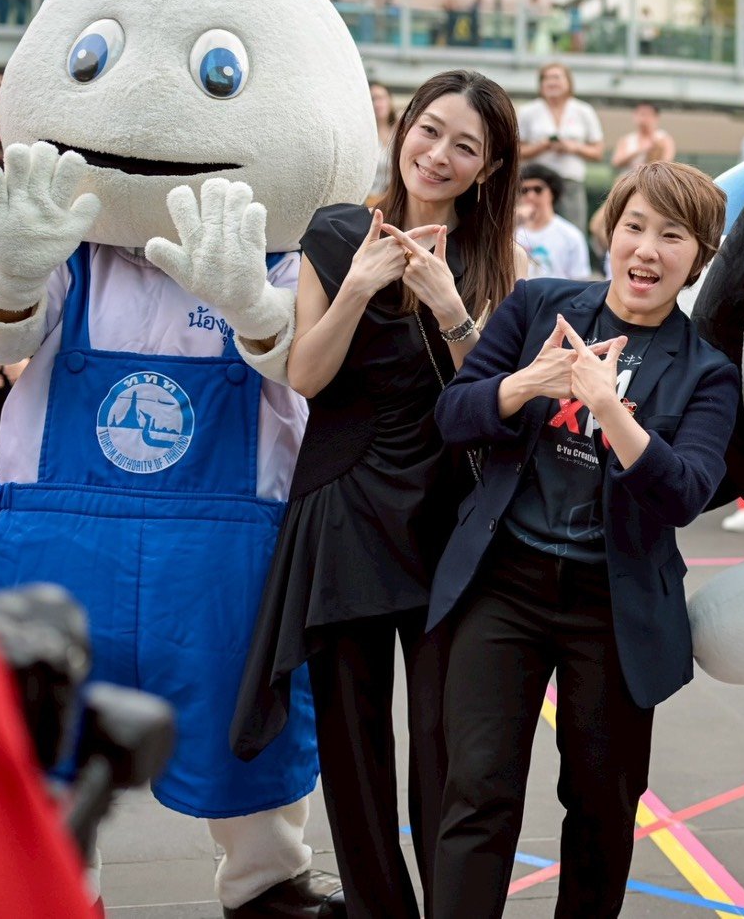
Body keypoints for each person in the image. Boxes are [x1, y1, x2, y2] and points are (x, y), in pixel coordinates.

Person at [231, 69, 528, 919]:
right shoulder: (335, 232)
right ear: (403, 127)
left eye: (465, 146)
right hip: (345, 509)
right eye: (430, 129)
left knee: (446, 742)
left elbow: (498, 401)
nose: (438, 154)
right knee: (353, 749)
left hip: (446, 521)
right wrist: (359, 284)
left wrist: (450, 306)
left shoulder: (496, 259)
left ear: (488, 168)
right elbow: (306, 377)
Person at [426, 160, 739, 918]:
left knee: (602, 805)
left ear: (699, 256)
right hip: (505, 585)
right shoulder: (539, 307)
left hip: (613, 605)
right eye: (635, 226)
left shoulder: (707, 372)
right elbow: (454, 415)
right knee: (478, 790)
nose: (648, 249)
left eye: (673, 236)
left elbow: (686, 494)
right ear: (609, 232)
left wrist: (612, 409)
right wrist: (526, 384)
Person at [518, 62, 603, 232]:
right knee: (530, 229)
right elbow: (517, 151)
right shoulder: (528, 111)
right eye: (546, 78)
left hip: (570, 183)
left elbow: (598, 152)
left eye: (556, 77)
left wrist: (573, 147)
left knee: (573, 229)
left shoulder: (583, 110)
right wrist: (542, 146)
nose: (552, 82)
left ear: (568, 82)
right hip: (536, 184)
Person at [515, 163, 588, 280]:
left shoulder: (571, 235)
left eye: (538, 190)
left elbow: (579, 280)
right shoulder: (512, 231)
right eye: (524, 190)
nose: (530, 196)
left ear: (552, 193)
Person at [610, 100, 675, 176]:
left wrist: (655, 149)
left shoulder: (664, 138)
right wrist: (639, 151)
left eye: (648, 115)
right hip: (628, 179)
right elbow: (616, 162)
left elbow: (667, 163)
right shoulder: (627, 139)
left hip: (654, 180)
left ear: (656, 117)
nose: (643, 118)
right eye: (641, 114)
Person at [368, 80, 398, 204]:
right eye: (372, 99)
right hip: (368, 200)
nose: (377, 103)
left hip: (392, 200)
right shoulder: (366, 136)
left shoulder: (399, 134)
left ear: (389, 100)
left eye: (381, 98)